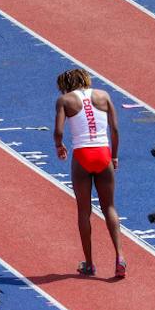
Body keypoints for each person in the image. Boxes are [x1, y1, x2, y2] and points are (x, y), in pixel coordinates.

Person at [52, 67, 123, 280]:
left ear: (66, 85)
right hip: (103, 153)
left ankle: (90, 264)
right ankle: (120, 257)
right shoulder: (104, 95)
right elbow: (115, 130)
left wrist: (59, 146)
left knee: (84, 211)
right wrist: (115, 156)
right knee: (109, 206)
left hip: (82, 156)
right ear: (85, 79)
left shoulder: (65, 100)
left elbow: (58, 131)